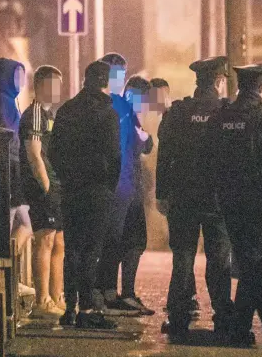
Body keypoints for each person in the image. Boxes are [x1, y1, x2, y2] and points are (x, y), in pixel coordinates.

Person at [206, 63, 262, 345]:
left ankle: (258, 323)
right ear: (260, 86)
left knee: (248, 262)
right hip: (261, 202)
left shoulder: (220, 118)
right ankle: (251, 323)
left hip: (230, 200)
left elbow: (209, 158)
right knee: (254, 263)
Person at [156, 56, 234, 337]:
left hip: (183, 198)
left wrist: (161, 193)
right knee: (218, 261)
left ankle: (178, 318)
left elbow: (164, 156)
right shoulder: (226, 111)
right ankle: (224, 318)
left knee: (183, 259)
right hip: (217, 199)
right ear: (219, 81)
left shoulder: (178, 111)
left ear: (198, 81)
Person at [48, 60, 121, 329]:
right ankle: (88, 310)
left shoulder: (66, 110)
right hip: (97, 189)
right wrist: (109, 186)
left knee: (73, 249)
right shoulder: (107, 113)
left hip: (71, 189)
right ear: (106, 82)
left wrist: (66, 177)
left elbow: (53, 151)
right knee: (92, 250)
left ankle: (70, 307)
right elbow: (114, 155)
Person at [96, 75, 155, 315]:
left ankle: (123, 293)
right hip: (121, 188)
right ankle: (108, 292)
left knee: (132, 241)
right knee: (116, 241)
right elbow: (140, 143)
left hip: (130, 188)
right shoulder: (121, 111)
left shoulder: (130, 115)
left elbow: (146, 144)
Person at [150, 78, 201, 319]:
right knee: (183, 248)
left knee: (182, 248)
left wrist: (162, 193)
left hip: (180, 193)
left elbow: (164, 159)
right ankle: (187, 296)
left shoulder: (173, 117)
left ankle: (180, 299)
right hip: (187, 192)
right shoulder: (173, 117)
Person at [0, 57, 35, 297]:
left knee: (24, 223)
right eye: (17, 76)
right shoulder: (1, 101)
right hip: (6, 168)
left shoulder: (8, 101)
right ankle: (5, 280)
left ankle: (10, 277)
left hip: (13, 167)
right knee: (9, 223)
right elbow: (5, 136)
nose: (21, 82)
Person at [19, 65, 65, 318]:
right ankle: (41, 300)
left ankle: (57, 297)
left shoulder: (50, 114)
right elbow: (34, 155)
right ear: (39, 86)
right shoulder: (35, 113)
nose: (57, 90)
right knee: (45, 240)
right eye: (53, 84)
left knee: (59, 241)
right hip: (44, 188)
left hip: (56, 186)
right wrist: (46, 186)